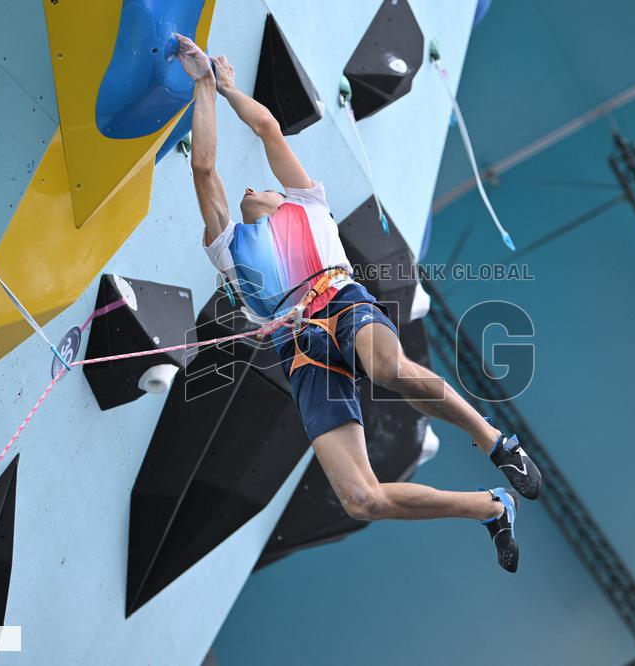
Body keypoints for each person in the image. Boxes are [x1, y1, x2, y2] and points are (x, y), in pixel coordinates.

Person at [175, 34, 541, 572]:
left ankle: (497, 442)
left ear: (286, 193)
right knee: (360, 499)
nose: (256, 187)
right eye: (249, 189)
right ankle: (490, 509)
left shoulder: (307, 202)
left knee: (386, 366)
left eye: (267, 187)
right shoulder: (226, 250)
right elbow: (204, 169)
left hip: (341, 301)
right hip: (298, 351)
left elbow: (268, 128)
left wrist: (227, 87)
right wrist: (201, 87)